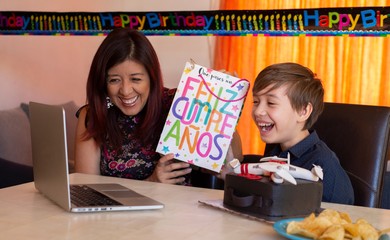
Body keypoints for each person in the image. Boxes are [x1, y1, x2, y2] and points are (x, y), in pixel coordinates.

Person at [75, 27, 241, 185]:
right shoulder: (93, 115)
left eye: (136, 79)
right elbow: (87, 187)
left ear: (152, 79)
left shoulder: (178, 104)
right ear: (103, 82)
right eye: (114, 80)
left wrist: (220, 107)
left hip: (180, 210)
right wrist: (152, 182)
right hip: (113, 213)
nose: (125, 91)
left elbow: (231, 162)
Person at [251, 62, 354, 204]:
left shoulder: (324, 166)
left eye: (271, 103)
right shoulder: (275, 149)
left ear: (303, 111)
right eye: (256, 101)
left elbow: (337, 218)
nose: (257, 111)